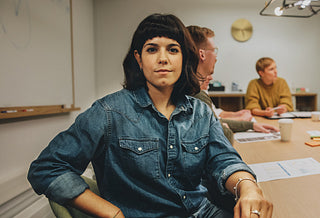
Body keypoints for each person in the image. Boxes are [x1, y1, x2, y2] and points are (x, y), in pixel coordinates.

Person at [27, 14, 272, 218]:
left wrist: (247, 187)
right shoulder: (108, 112)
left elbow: (224, 160)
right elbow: (47, 168)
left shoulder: (200, 112)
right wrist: (111, 212)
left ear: (184, 57)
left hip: (202, 212)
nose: (163, 58)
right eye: (152, 49)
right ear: (139, 59)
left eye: (173, 50)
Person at [187, 26, 278, 139]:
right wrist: (224, 128)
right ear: (202, 54)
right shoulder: (196, 94)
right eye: (214, 50)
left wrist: (250, 125)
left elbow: (216, 121)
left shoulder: (191, 89)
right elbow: (224, 138)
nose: (216, 57)